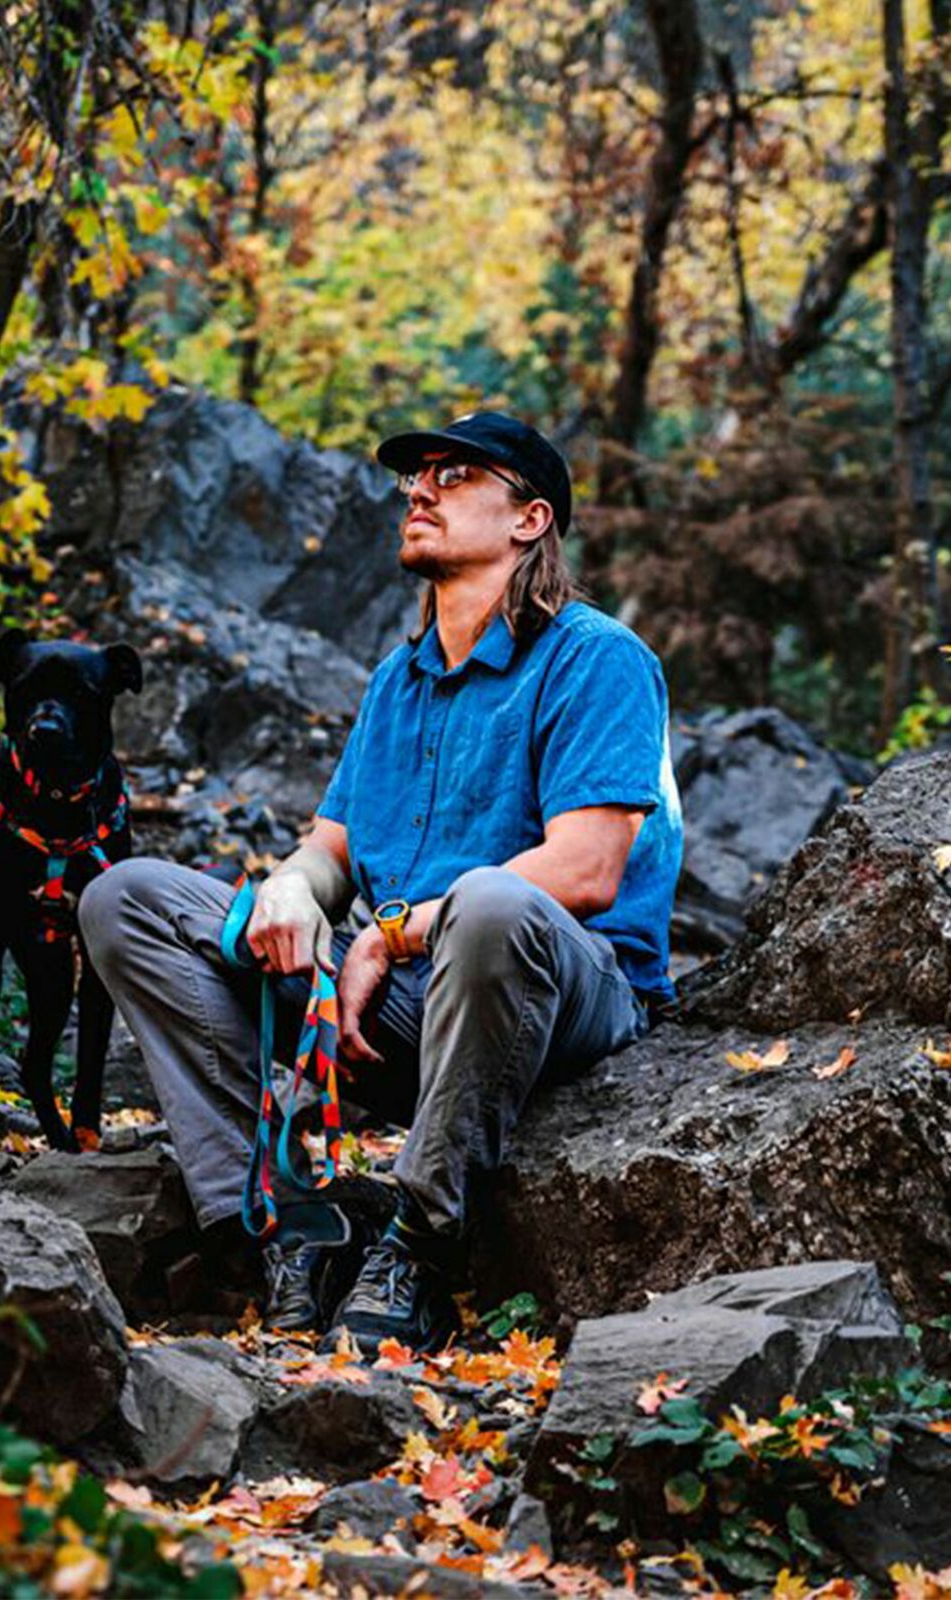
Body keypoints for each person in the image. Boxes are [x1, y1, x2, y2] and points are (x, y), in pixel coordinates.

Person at [80, 410, 682, 1354]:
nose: (419, 491)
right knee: (130, 897)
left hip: (562, 1009)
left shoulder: (597, 658)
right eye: (415, 477)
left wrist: (387, 933)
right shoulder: (397, 682)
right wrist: (290, 887)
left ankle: (421, 1243)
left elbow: (585, 868)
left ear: (528, 520)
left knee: (491, 904)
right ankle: (283, 1224)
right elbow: (331, 850)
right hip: (401, 1010)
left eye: (454, 476)